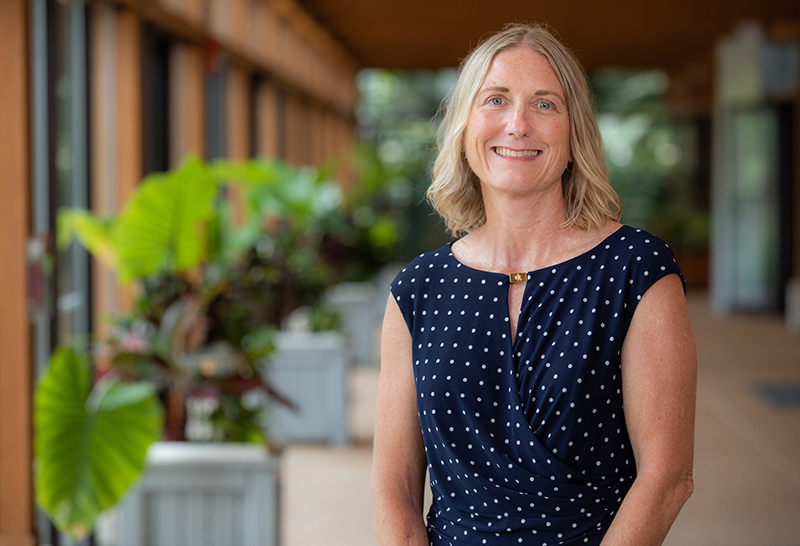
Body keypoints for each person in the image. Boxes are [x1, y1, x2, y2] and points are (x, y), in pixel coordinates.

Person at [371, 22, 696, 546]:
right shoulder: (418, 290)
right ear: (464, 125)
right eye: (495, 99)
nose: (518, 124)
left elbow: (667, 478)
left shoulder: (635, 270)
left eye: (545, 104)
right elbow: (396, 486)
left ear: (575, 134)